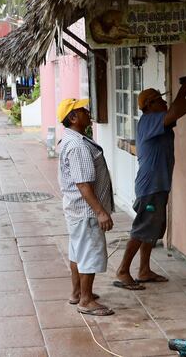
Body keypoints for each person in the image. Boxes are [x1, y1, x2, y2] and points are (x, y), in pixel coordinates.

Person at [114, 73, 186, 289]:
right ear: (150, 105)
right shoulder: (150, 121)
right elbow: (176, 109)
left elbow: (181, 110)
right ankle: (122, 270)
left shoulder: (159, 121)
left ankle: (144, 270)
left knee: (152, 229)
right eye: (160, 100)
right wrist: (185, 88)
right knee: (142, 229)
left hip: (159, 184)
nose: (165, 102)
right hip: (151, 186)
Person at [57, 98, 115, 316]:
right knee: (89, 253)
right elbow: (83, 184)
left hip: (76, 210)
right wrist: (100, 212)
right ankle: (86, 300)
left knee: (77, 252)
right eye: (82, 110)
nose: (88, 112)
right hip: (86, 212)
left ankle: (76, 293)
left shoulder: (72, 140)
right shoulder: (78, 145)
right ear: (73, 118)